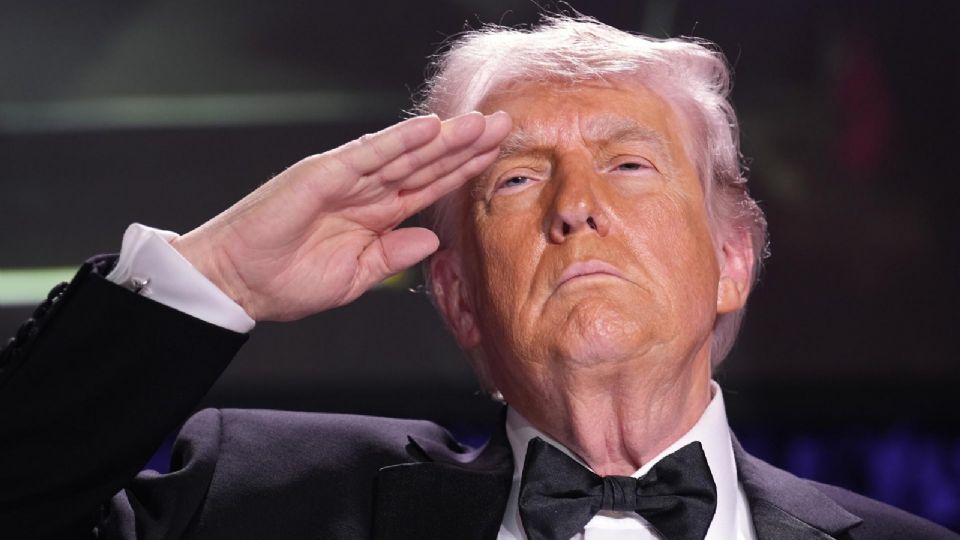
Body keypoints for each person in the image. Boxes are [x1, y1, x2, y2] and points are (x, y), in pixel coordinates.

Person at [0, 15, 955, 540]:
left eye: (629, 165)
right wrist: (216, 276)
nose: (575, 207)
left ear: (732, 262)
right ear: (458, 297)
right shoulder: (259, 499)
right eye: (519, 179)